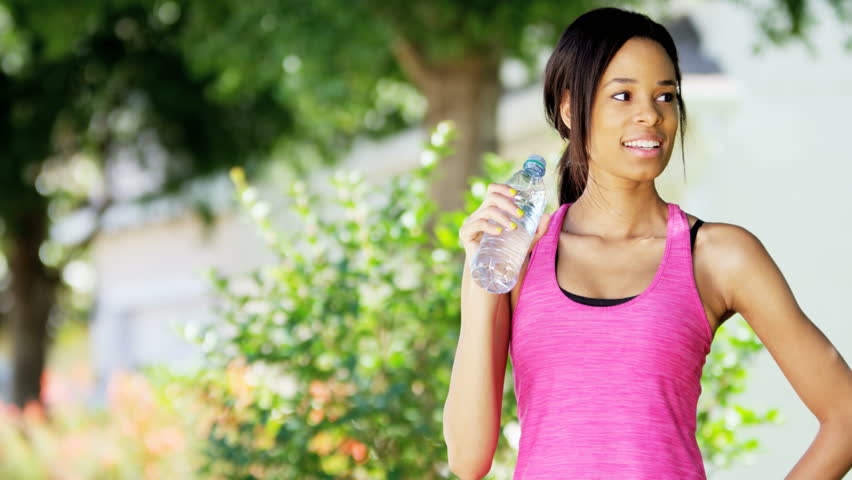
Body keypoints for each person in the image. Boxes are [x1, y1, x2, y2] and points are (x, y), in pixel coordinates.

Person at [442, 7, 852, 480]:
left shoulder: (718, 255)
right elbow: (467, 459)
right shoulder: (521, 254)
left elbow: (843, 415)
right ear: (570, 109)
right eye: (623, 95)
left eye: (666, 96)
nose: (650, 115)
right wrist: (480, 278)